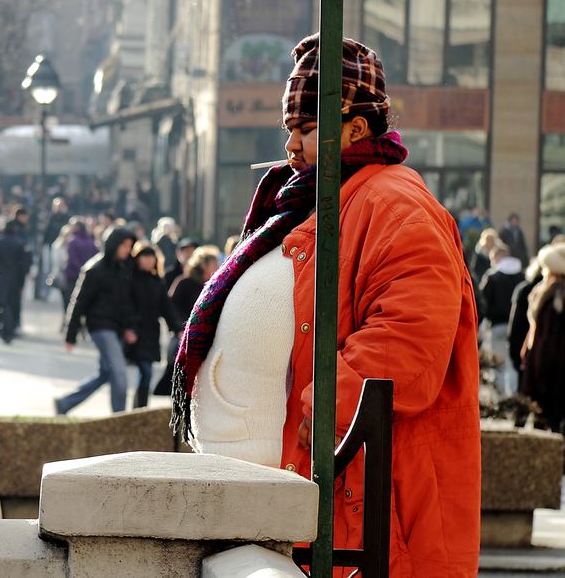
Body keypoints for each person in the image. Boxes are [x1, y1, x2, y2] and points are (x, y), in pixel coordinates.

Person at [174, 35, 480, 575]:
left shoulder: (397, 204)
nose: (291, 146)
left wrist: (323, 403)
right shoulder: (321, 198)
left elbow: (411, 338)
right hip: (284, 509)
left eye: (307, 130)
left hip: (350, 501)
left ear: (356, 129)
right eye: (289, 130)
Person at [56, 227, 138, 415]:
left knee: (106, 374)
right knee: (119, 373)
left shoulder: (122, 268)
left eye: (129, 246)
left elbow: (124, 302)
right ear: (114, 245)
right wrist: (71, 335)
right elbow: (79, 303)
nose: (127, 250)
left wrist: (128, 327)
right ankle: (120, 419)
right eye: (124, 245)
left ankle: (65, 404)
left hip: (116, 328)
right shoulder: (95, 269)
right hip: (100, 327)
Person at [154, 245, 221, 397]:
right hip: (186, 333)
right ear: (203, 264)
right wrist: (180, 327)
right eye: (213, 262)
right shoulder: (184, 282)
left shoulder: (214, 285)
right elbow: (171, 307)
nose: (217, 266)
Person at [126, 241, 180, 408]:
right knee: (144, 372)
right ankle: (138, 410)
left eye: (151, 257)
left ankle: (138, 410)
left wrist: (178, 328)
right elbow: (125, 306)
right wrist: (129, 327)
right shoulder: (130, 280)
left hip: (150, 333)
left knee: (146, 373)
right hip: (134, 332)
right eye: (144, 257)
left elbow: (166, 308)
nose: (148, 261)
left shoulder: (158, 282)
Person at [520, 243, 565, 431]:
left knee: (548, 416)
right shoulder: (547, 291)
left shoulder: (556, 293)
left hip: (550, 363)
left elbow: (548, 334)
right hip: (546, 360)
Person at [479, 244, 526, 396]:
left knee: (498, 365)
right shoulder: (522, 276)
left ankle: (499, 400)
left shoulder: (492, 277)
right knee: (513, 365)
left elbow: (483, 302)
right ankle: (513, 397)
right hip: (519, 327)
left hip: (497, 325)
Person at [0, 220, 31, 344]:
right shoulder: (20, 243)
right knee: (12, 305)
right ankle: (9, 330)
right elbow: (25, 265)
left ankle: (4, 329)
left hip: (1, 277)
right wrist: (21, 282)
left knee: (4, 304)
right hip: (15, 279)